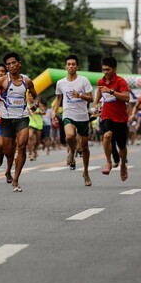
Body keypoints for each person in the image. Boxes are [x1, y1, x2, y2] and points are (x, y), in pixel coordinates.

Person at [0, 51, 38, 192]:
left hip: (22, 118)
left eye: (13, 63)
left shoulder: (27, 81)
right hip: (6, 120)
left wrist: (35, 104)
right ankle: (8, 169)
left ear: (19, 63)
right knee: (8, 151)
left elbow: (35, 95)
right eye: (8, 64)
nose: (11, 66)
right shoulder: (2, 81)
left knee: (22, 146)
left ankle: (16, 179)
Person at [51, 54, 94, 186]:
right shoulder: (61, 83)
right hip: (68, 114)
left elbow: (91, 98)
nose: (71, 66)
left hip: (82, 117)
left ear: (77, 66)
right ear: (65, 66)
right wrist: (53, 112)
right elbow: (58, 98)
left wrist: (79, 95)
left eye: (73, 64)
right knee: (69, 136)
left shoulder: (84, 80)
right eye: (68, 64)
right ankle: (71, 151)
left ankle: (86, 172)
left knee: (85, 147)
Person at [94, 56, 130, 181]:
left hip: (120, 118)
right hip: (106, 115)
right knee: (107, 135)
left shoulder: (121, 82)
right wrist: (96, 104)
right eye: (103, 70)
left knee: (122, 146)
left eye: (108, 70)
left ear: (114, 69)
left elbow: (126, 98)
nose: (105, 72)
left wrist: (112, 92)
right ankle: (108, 162)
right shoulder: (101, 81)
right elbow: (99, 92)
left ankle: (123, 165)